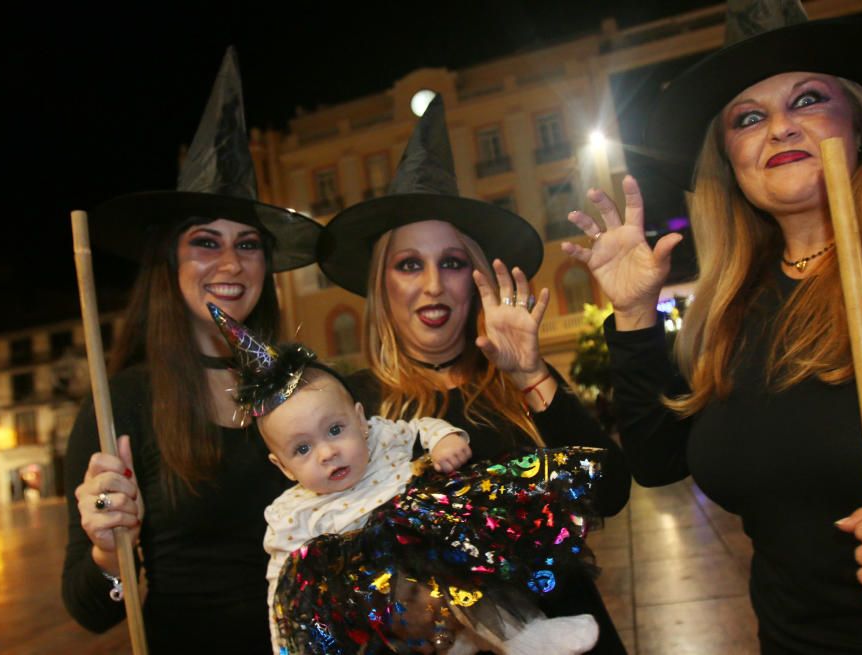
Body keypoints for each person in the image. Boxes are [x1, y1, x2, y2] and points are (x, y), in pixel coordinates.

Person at [561, 1, 862, 652]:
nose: (780, 128)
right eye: (750, 117)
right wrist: (633, 318)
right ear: (730, 161)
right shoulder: (732, 306)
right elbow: (659, 461)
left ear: (859, 124)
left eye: (808, 99)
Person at [317, 94, 630, 655]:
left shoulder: (517, 379)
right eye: (410, 264)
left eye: (453, 263)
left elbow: (609, 492)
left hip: (568, 634)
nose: (433, 285)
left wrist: (531, 372)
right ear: (382, 285)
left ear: (476, 278)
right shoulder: (351, 408)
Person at [60, 48, 322, 653]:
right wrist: (106, 547)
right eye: (206, 241)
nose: (230, 264)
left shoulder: (309, 386)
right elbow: (88, 611)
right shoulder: (119, 403)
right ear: (169, 264)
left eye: (249, 245)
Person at [207, 302, 603, 655]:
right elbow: (282, 588)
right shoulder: (292, 513)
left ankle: (525, 636)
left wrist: (446, 438)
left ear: (361, 421)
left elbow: (420, 428)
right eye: (302, 449)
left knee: (466, 564)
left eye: (334, 431)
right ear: (282, 467)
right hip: (383, 607)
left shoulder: (381, 437)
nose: (327, 452)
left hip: (430, 551)